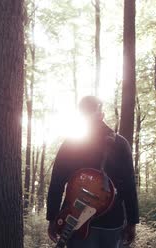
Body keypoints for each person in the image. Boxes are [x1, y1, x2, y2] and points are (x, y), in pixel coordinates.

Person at [46, 96, 139, 248]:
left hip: (75, 218)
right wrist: (132, 222)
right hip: (112, 221)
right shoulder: (120, 143)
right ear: (101, 114)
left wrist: (53, 218)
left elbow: (57, 182)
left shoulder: (72, 143)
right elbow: (129, 185)